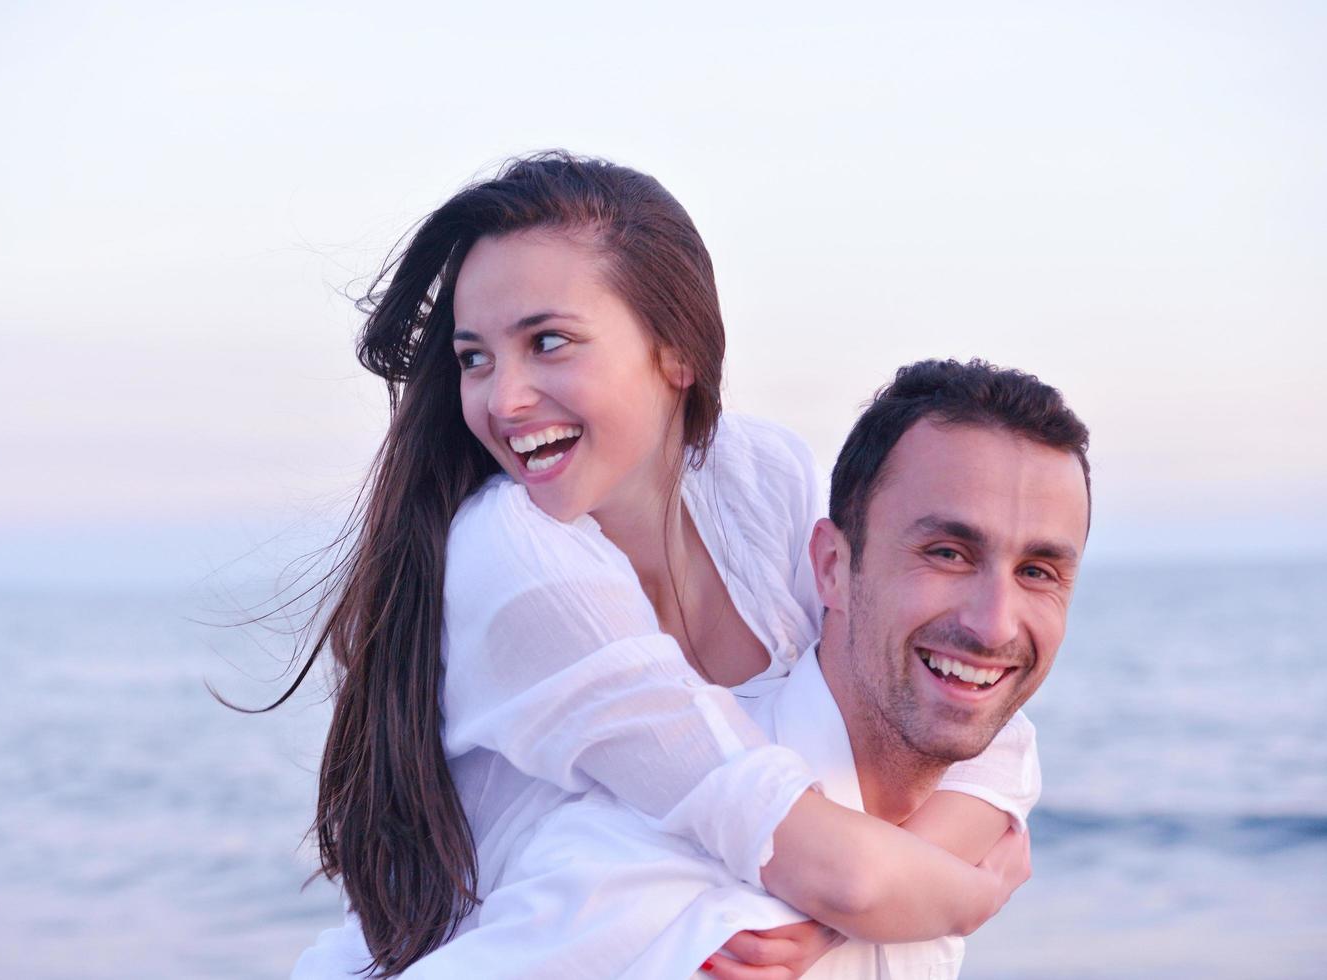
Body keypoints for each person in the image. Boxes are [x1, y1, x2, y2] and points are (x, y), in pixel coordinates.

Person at [283, 153, 1033, 978]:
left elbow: (969, 732)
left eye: (548, 342)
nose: (502, 399)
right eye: (476, 358)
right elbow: (833, 865)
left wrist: (833, 921)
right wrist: (964, 892)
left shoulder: (762, 478)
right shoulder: (516, 556)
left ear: (676, 351)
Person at [388, 358, 1090, 979]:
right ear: (831, 568)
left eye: (1037, 570)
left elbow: (1009, 750)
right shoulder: (658, 864)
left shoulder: (960, 812)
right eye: (946, 553)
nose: (994, 623)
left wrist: (878, 908)